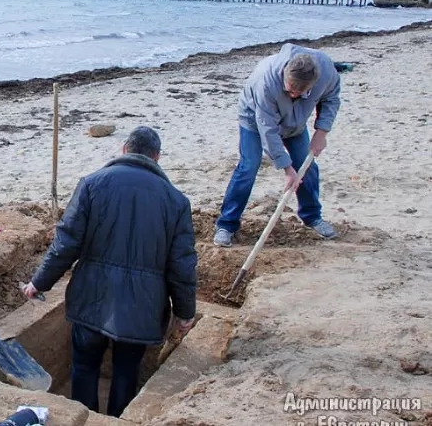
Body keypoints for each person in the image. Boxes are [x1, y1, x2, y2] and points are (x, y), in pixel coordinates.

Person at [21, 126, 197, 417]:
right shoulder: (176, 201)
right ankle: (116, 420)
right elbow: (182, 265)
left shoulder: (91, 184)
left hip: (92, 299)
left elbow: (65, 245)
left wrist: (38, 284)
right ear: (158, 158)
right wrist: (184, 312)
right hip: (142, 309)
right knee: (127, 372)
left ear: (125, 150)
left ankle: (83, 418)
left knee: (85, 366)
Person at [213, 43, 341, 247]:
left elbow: (332, 98)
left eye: (301, 93)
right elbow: (268, 130)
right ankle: (226, 225)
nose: (294, 96)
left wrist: (321, 132)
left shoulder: (326, 71)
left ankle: (312, 217)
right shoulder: (267, 82)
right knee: (249, 166)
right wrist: (286, 168)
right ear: (285, 76)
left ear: (313, 84)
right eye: (290, 91)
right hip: (254, 121)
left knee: (306, 167)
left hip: (295, 124)